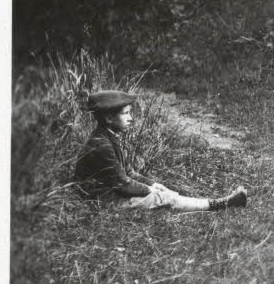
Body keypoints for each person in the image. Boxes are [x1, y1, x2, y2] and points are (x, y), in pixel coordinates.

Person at [74, 90, 247, 211]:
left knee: (162, 192)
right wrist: (152, 191)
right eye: (125, 113)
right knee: (163, 198)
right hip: (100, 201)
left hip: (109, 193)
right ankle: (220, 204)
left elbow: (128, 172)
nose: (130, 118)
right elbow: (123, 183)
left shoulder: (109, 135)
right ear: (109, 118)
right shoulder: (101, 144)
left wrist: (153, 184)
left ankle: (205, 203)